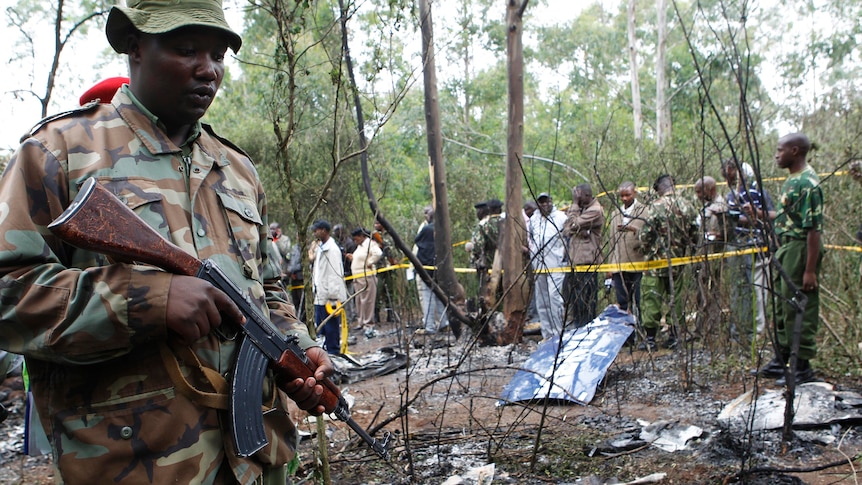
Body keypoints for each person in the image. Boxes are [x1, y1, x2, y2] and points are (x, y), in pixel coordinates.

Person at [0, 1, 334, 482]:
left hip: (256, 462)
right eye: (186, 49)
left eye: (218, 54)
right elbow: (8, 290)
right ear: (134, 47)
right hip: (136, 463)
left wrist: (298, 351)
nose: (208, 70)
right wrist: (148, 301)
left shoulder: (236, 170)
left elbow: (266, 287)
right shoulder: (59, 154)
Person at [758, 133, 823, 385]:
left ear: (794, 151)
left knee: (798, 307)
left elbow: (813, 229)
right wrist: (761, 214)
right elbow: (788, 217)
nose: (776, 155)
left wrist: (809, 270)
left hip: (801, 249)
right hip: (786, 247)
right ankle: (782, 357)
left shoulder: (808, 183)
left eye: (780, 150)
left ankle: (802, 365)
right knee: (782, 306)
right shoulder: (793, 180)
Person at [638, 175, 698, 351]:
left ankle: (650, 339)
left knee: (651, 298)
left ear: (660, 189)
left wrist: (646, 249)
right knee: (676, 298)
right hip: (678, 262)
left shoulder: (655, 207)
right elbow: (695, 234)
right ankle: (674, 336)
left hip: (655, 264)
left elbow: (645, 236)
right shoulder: (688, 206)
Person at [721, 159, 776, 337]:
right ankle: (739, 327)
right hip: (736, 245)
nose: (727, 178)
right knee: (739, 288)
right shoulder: (731, 195)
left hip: (755, 245)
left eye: (729, 174)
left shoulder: (758, 191)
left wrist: (753, 215)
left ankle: (758, 331)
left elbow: (772, 214)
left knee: (757, 289)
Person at [693, 176, 730, 342]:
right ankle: (699, 329)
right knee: (700, 293)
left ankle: (712, 330)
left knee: (713, 293)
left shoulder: (721, 207)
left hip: (715, 257)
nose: (698, 195)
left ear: (710, 189)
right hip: (701, 256)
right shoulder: (705, 207)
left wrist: (718, 235)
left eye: (700, 191)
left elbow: (728, 233)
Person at [563, 183, 605, 327]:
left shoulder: (595, 210)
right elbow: (567, 229)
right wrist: (574, 226)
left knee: (586, 301)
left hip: (588, 261)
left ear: (587, 196)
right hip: (576, 261)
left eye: (578, 196)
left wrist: (574, 205)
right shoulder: (583, 210)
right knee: (574, 300)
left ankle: (586, 331)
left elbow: (572, 225)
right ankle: (578, 329)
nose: (576, 199)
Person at [527, 192, 568, 340]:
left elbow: (567, 239)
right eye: (541, 202)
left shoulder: (562, 218)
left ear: (551, 201)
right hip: (538, 265)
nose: (544, 205)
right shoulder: (533, 220)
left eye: (546, 201)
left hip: (556, 265)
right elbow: (531, 238)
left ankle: (558, 334)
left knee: (554, 298)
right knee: (542, 300)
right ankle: (547, 334)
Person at [605, 181, 646, 317]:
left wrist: (633, 230)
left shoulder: (644, 211)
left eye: (627, 195)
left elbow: (648, 235)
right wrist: (610, 266)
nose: (624, 199)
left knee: (638, 300)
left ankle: (639, 329)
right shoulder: (616, 213)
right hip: (619, 264)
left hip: (637, 262)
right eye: (622, 196)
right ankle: (625, 333)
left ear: (634, 193)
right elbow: (612, 241)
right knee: (622, 301)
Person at [311, 219, 349, 354]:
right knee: (321, 325)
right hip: (321, 293)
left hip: (329, 295)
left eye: (316, 230)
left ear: (324, 230)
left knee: (331, 326)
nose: (314, 233)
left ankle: (333, 352)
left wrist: (333, 296)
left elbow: (334, 273)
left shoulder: (332, 249)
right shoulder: (321, 247)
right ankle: (325, 351)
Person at [414, 206, 450, 335]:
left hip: (427, 270)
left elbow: (417, 242)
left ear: (429, 217)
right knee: (440, 297)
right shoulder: (443, 229)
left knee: (428, 298)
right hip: (441, 269)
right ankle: (443, 323)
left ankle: (429, 326)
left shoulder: (426, 229)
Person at [469, 198, 504, 312]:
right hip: (509, 266)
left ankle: (492, 318)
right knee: (505, 294)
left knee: (489, 295)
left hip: (490, 267)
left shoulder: (484, 225)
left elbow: (478, 247)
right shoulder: (508, 223)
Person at [346, 227, 383, 330]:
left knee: (368, 301)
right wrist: (353, 258)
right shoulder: (360, 246)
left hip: (367, 276)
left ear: (362, 236)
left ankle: (368, 323)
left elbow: (378, 253)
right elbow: (361, 257)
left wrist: (370, 262)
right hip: (357, 277)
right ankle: (361, 322)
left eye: (356, 238)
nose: (355, 240)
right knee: (359, 301)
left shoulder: (370, 243)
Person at [332, 223, 358, 326]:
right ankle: (344, 317)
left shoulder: (349, 243)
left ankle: (350, 317)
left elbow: (353, 259)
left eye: (336, 231)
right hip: (339, 274)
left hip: (349, 274)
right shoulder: (337, 243)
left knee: (349, 297)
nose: (335, 234)